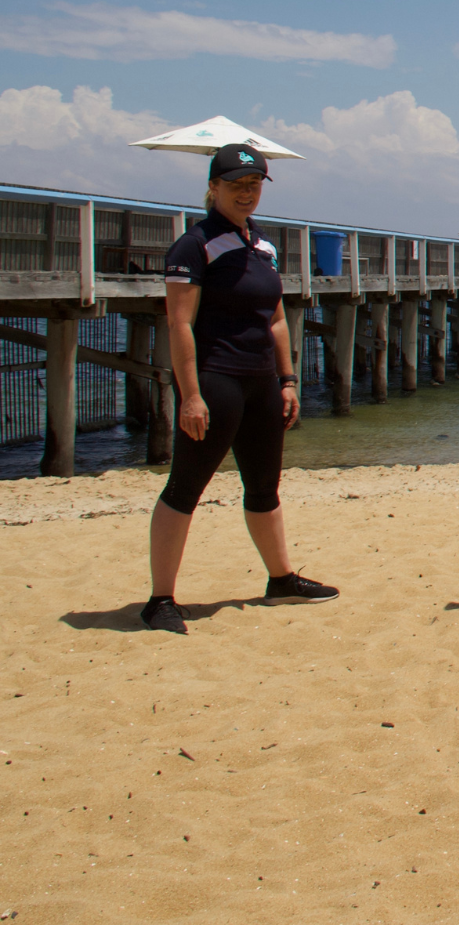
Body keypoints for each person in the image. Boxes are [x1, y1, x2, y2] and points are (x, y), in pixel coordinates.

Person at [143, 144, 339, 633]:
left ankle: (281, 579)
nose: (247, 193)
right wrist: (190, 394)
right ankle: (160, 598)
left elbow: (275, 319)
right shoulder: (195, 245)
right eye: (236, 185)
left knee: (264, 487)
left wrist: (289, 379)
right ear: (213, 187)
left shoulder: (262, 244)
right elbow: (179, 325)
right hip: (215, 380)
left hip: (261, 383)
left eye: (254, 185)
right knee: (186, 487)